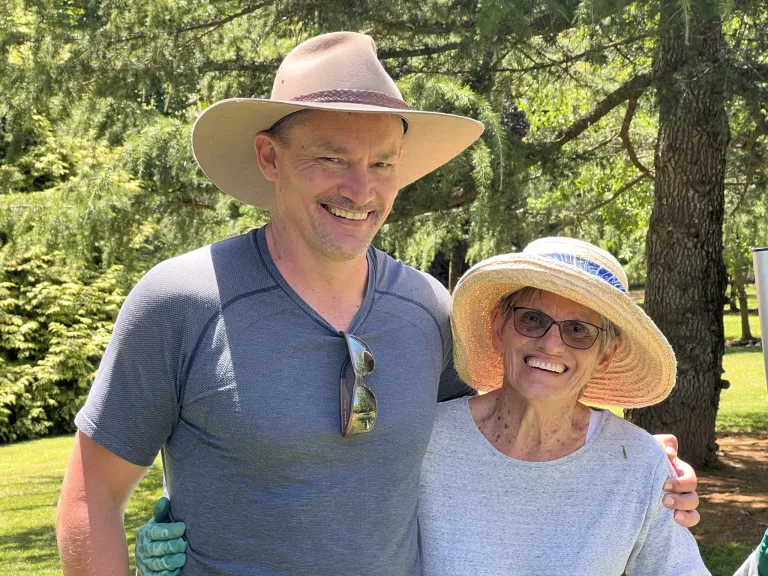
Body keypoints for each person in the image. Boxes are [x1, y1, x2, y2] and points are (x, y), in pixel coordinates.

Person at [56, 31, 699, 576]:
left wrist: (636, 466)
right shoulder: (183, 302)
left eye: (383, 164)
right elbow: (90, 499)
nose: (360, 189)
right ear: (269, 156)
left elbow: (500, 426)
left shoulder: (425, 309)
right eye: (330, 158)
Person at [418, 237, 764, 575]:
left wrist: (648, 463)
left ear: (606, 355)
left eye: (578, 330)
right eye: (532, 319)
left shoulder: (638, 463)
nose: (551, 344)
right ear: (499, 327)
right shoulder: (424, 440)